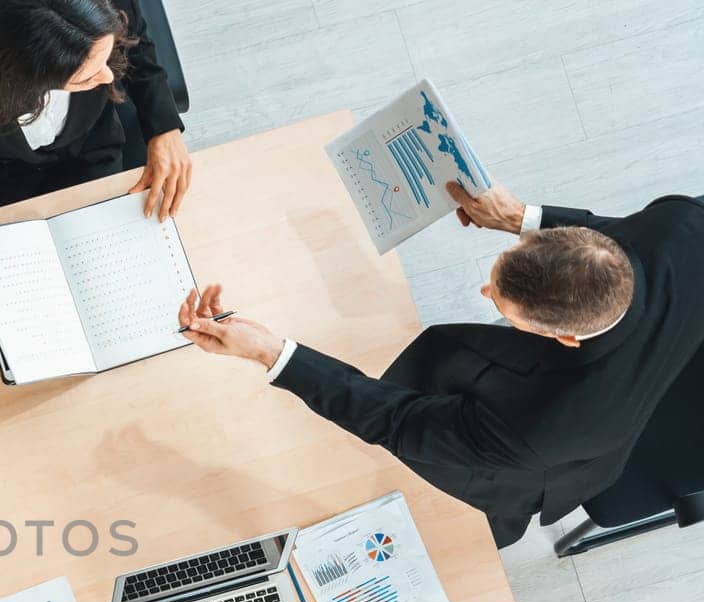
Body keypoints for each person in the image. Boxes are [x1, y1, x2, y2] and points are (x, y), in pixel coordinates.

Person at [176, 184, 704, 547]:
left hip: (558, 456)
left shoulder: (541, 429)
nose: (483, 292)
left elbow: (396, 420)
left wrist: (271, 352)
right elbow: (611, 233)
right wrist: (521, 217)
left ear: (562, 337)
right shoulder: (683, 225)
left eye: (499, 304)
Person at [0, 0, 190, 271]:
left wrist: (164, 127)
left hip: (88, 154)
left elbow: (138, 48)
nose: (109, 78)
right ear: (30, 76)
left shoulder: (108, 5)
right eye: (88, 76)